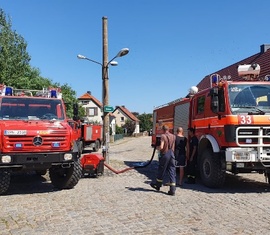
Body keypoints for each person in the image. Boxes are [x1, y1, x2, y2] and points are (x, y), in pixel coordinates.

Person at [150, 125, 176, 196]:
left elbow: (161, 147)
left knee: (161, 170)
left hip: (165, 154)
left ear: (163, 130)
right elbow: (173, 146)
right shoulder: (173, 136)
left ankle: (157, 185)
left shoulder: (163, 136)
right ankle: (172, 189)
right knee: (172, 171)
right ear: (168, 129)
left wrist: (157, 148)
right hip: (172, 154)